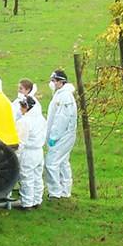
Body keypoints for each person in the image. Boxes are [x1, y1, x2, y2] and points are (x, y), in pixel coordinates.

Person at [45, 70, 77, 199]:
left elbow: (61, 119)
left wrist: (54, 136)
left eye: (54, 81)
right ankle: (65, 191)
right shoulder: (60, 94)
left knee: (51, 163)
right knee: (63, 162)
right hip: (63, 135)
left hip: (63, 136)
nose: (52, 83)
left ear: (61, 82)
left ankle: (55, 192)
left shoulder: (65, 97)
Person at [15, 96, 47, 211]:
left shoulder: (24, 121)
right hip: (39, 151)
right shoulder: (41, 118)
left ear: (26, 107)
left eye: (22, 106)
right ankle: (37, 200)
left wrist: (16, 155)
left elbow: (20, 141)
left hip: (28, 153)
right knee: (37, 177)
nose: (20, 109)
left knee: (26, 177)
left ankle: (27, 203)